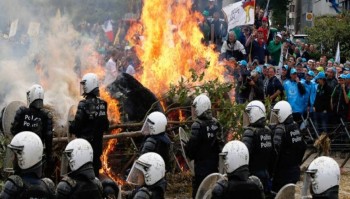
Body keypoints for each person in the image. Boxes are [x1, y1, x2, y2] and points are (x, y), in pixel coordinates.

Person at [69, 73, 109, 177]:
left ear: (89, 85)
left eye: (84, 85)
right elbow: (106, 126)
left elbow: (76, 126)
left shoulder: (83, 104)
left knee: (81, 174)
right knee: (95, 174)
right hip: (97, 147)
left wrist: (70, 125)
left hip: (84, 148)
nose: (83, 87)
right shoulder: (103, 104)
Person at [185, 94, 224, 198]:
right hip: (214, 167)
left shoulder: (197, 125)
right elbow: (220, 145)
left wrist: (187, 150)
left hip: (201, 168)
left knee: (199, 193)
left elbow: (191, 148)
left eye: (195, 107)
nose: (194, 110)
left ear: (200, 107)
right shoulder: (216, 123)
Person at [11, 84, 53, 173]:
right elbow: (48, 139)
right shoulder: (46, 115)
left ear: (30, 96)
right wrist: (49, 157)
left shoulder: (21, 112)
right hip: (37, 155)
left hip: (21, 154)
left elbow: (13, 131)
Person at [0, 131, 55, 198]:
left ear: (23, 157)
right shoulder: (48, 186)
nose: (12, 159)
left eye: (14, 156)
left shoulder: (14, 185)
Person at [270, 101, 306, 192]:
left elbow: (275, 152)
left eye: (277, 114)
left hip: (282, 173)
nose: (275, 117)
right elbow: (303, 147)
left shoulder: (281, 129)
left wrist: (271, 172)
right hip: (294, 171)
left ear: (283, 114)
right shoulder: (295, 126)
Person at [242, 100, 273, 196]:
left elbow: (243, 156)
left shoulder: (250, 132)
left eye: (249, 113)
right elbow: (274, 155)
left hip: (252, 177)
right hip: (266, 175)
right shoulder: (268, 131)